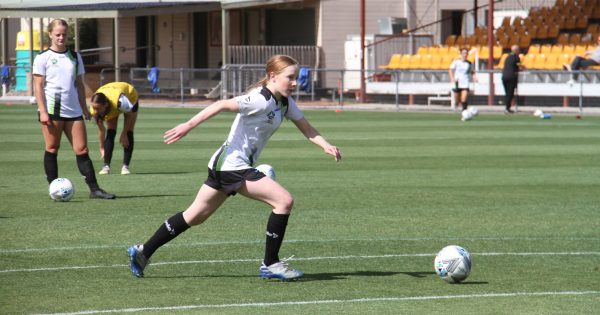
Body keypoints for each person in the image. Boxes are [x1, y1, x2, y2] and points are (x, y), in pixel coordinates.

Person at [127, 55, 342, 280]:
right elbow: (221, 104)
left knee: (195, 216)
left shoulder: (284, 102)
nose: (295, 83)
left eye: (296, 78)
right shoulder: (259, 99)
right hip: (232, 166)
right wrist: (188, 125)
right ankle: (270, 264)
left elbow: (307, 129)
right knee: (283, 201)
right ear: (272, 76)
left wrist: (326, 145)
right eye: (290, 77)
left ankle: (143, 251)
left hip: (226, 165)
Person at [33, 19, 115, 200]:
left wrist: (85, 109)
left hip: (74, 111)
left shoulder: (75, 57)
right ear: (50, 35)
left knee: (82, 149)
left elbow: (79, 84)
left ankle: (95, 190)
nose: (61, 37)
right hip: (52, 110)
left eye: (64, 34)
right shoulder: (42, 57)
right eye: (58, 34)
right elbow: (38, 87)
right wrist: (43, 111)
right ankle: (54, 190)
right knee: (52, 148)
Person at [89, 82, 140, 175]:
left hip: (129, 96)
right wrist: (101, 148)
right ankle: (106, 166)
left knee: (129, 131)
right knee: (111, 132)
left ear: (105, 105)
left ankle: (125, 167)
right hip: (111, 96)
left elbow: (130, 115)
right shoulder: (94, 109)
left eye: (98, 108)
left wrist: (124, 133)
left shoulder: (121, 101)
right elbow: (101, 130)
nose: (95, 111)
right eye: (94, 108)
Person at [449, 47, 477, 112]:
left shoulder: (469, 63)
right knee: (457, 99)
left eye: (466, 53)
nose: (465, 54)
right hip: (457, 82)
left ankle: (464, 111)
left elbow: (472, 71)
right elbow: (450, 70)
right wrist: (452, 79)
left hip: (465, 82)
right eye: (464, 53)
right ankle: (456, 104)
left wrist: (474, 77)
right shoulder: (456, 62)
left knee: (463, 99)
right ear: (461, 54)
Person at [501, 45, 525, 114]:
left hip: (504, 76)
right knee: (510, 93)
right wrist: (524, 68)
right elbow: (519, 66)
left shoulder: (507, 57)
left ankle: (507, 107)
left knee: (507, 93)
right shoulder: (516, 57)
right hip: (511, 77)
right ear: (516, 50)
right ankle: (507, 108)